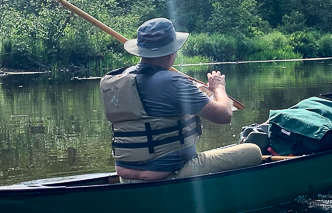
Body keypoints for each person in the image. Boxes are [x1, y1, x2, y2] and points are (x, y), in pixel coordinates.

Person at [100, 17, 262, 182]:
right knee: (253, 151)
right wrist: (218, 87)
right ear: (172, 52)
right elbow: (224, 115)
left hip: (126, 176)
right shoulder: (174, 82)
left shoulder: (114, 80)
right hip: (170, 173)